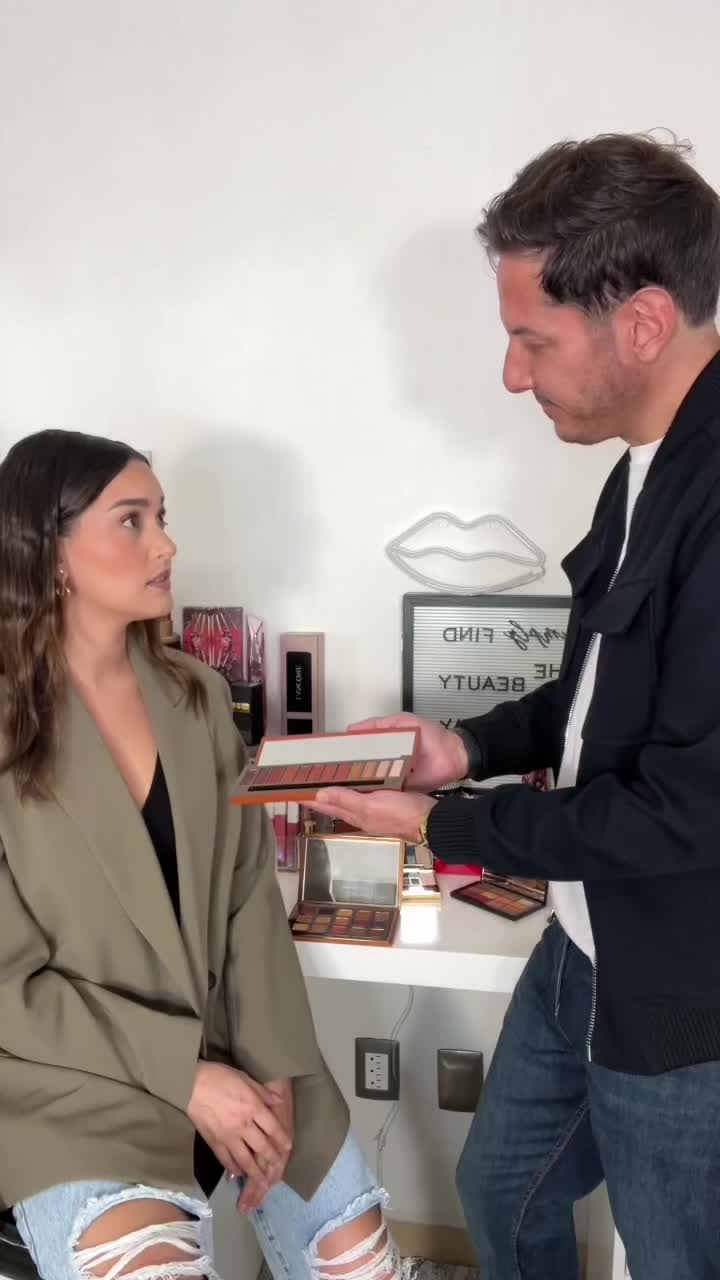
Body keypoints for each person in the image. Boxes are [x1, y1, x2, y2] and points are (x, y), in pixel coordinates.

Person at [310, 133, 720, 1280]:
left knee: (674, 1252)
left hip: (683, 990)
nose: (511, 374)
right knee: (501, 1187)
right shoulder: (643, 466)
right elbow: (596, 689)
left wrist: (444, 824)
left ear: (641, 322)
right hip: (583, 942)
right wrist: (465, 745)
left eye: (532, 338)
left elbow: (684, 809)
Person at [0, 429, 399, 1280]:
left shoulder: (198, 697)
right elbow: (10, 989)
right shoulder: (8, 727)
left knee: (362, 1262)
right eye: (132, 521)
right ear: (50, 550)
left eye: (162, 517)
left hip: (240, 1047)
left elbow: (249, 897)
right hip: (72, 1085)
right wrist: (185, 1076)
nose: (166, 544)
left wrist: (276, 1061)